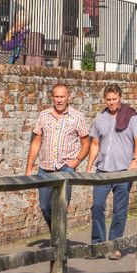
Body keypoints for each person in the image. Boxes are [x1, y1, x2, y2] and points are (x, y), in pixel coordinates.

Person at [85, 86, 137, 258]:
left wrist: (135, 161)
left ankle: (114, 245)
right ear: (105, 100)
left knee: (119, 210)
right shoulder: (100, 119)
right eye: (108, 99)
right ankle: (97, 245)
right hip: (102, 170)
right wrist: (89, 166)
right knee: (97, 206)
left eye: (114, 99)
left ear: (120, 98)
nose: (111, 102)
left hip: (123, 171)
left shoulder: (131, 117)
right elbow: (95, 144)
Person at [24, 84, 89, 232]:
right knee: (45, 206)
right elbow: (36, 142)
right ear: (52, 98)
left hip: (66, 168)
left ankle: (58, 244)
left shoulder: (77, 117)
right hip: (45, 168)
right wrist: (29, 167)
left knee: (60, 206)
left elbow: (86, 144)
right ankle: (58, 235)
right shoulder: (44, 115)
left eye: (62, 96)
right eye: (57, 97)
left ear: (68, 97)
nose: (59, 100)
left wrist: (76, 162)